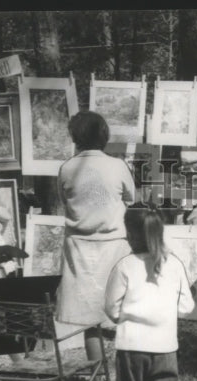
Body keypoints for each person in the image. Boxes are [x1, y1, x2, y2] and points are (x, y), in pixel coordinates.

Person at [105, 205, 193, 381]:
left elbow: (110, 308)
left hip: (132, 348)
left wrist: (124, 318)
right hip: (166, 348)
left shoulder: (123, 267)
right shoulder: (175, 264)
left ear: (129, 234)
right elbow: (187, 307)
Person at [56, 111, 135, 366]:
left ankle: (97, 377)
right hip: (114, 246)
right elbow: (132, 199)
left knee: (89, 318)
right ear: (104, 135)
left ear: (74, 136)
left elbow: (64, 202)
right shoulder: (117, 165)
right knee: (124, 310)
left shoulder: (67, 168)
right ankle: (127, 370)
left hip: (80, 247)